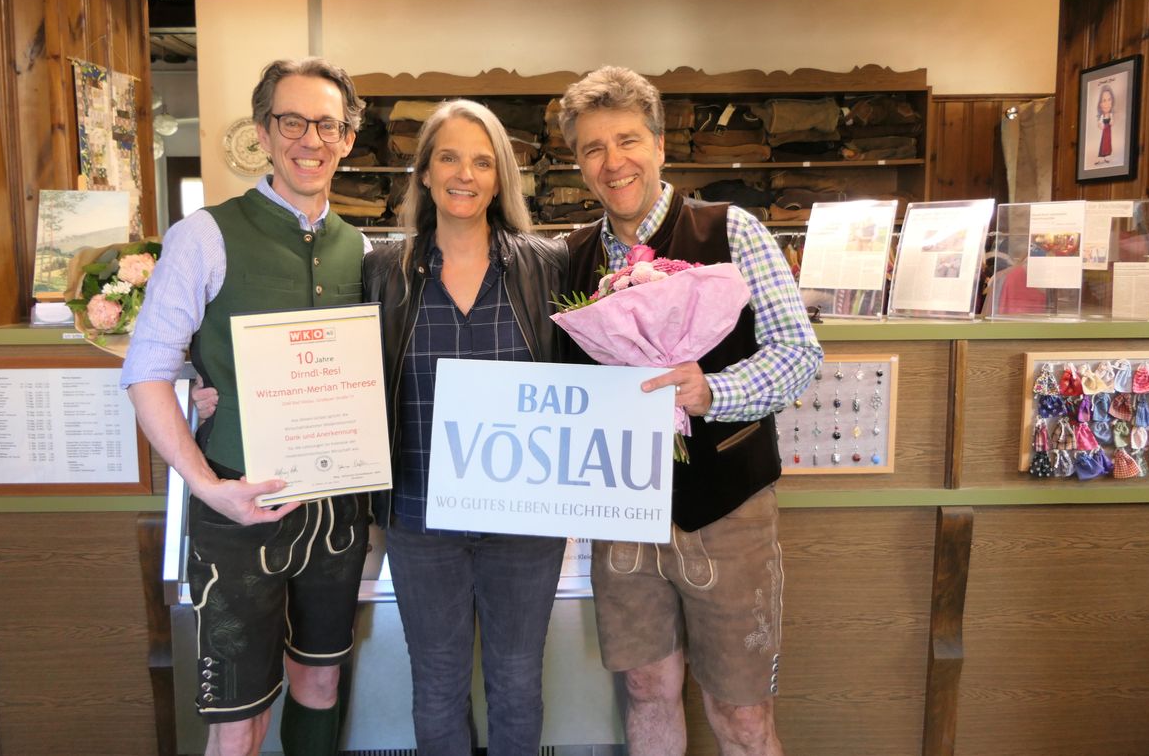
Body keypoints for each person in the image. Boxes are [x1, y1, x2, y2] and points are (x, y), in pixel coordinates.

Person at [557, 66, 823, 756]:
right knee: (646, 688)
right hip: (621, 516)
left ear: (661, 145)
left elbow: (799, 353)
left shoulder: (732, 230)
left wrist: (713, 391)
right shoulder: (570, 257)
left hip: (725, 508)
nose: (612, 162)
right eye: (592, 148)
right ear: (578, 163)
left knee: (739, 714)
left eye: (627, 141)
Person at [123, 58, 372, 756]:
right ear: (263, 132)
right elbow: (147, 372)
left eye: (327, 124)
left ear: (348, 139)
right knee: (239, 720)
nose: (310, 139)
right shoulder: (204, 234)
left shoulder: (360, 247)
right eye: (291, 121)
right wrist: (207, 484)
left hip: (335, 507)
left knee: (320, 683)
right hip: (235, 501)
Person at [362, 99, 568, 755]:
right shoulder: (382, 270)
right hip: (419, 521)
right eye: (448, 156)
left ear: (500, 176)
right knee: (438, 689)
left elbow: (590, 375)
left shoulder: (545, 266)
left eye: (483, 161)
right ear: (423, 172)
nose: (464, 174)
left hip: (526, 521)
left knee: (516, 687)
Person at [1096, 83, 1115, 159]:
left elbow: (1112, 122)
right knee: (1104, 142)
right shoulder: (1102, 116)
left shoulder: (1110, 115)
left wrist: (1111, 120)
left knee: (1108, 142)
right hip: (1104, 131)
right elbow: (1100, 123)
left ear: (1112, 101)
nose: (1107, 103)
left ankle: (1107, 154)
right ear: (1100, 104)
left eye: (1109, 100)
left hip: (1108, 131)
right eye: (1104, 100)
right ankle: (1103, 155)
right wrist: (1100, 124)